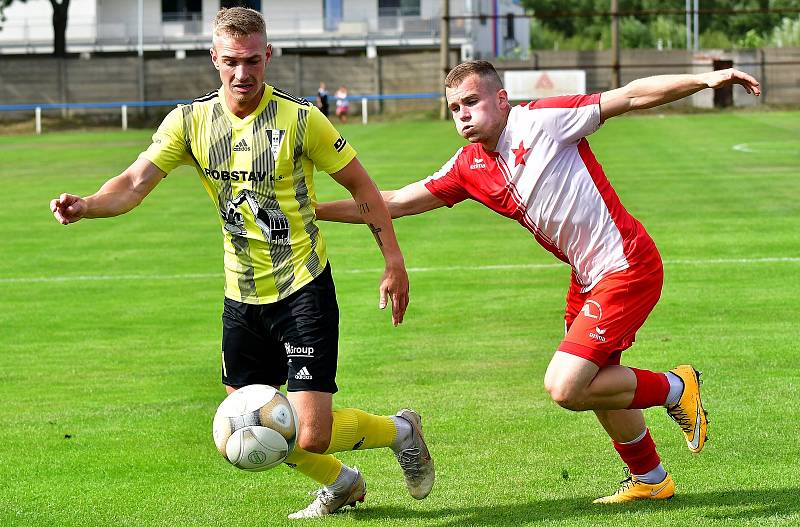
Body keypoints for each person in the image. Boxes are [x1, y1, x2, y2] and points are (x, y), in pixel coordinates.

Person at [49, 7, 434, 519]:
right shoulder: (189, 122)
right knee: (247, 423)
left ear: (267, 55)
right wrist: (89, 204)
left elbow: (362, 188)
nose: (243, 74)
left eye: (252, 60)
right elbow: (133, 182)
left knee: (310, 434)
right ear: (214, 58)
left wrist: (394, 260)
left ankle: (400, 429)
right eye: (231, 61)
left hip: (302, 286)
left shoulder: (301, 120)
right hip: (241, 298)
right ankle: (342, 484)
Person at [317, 60, 761, 503]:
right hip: (587, 277)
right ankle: (650, 477)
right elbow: (392, 202)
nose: (464, 115)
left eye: (472, 101)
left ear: (501, 99)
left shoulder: (544, 120)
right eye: (455, 108)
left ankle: (676, 387)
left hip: (626, 265)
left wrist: (704, 79)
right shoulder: (468, 166)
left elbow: (630, 95)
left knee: (565, 386)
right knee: (600, 380)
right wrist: (309, 209)